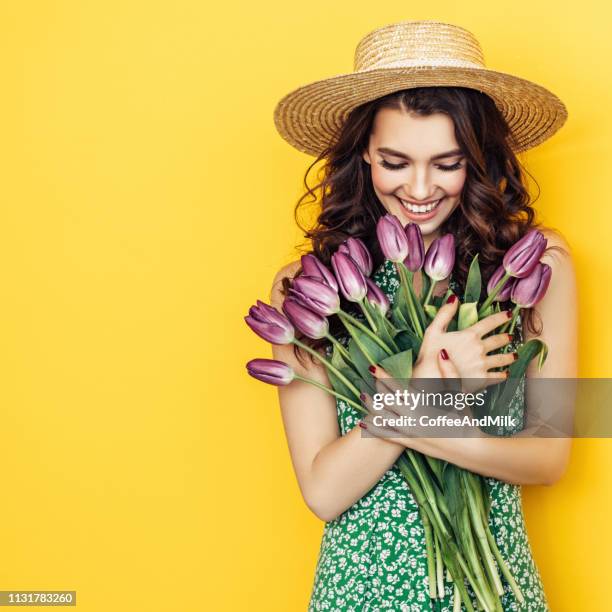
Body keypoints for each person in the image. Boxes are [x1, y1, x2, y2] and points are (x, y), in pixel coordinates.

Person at [269, 20, 577, 611]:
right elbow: (325, 491)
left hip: (495, 590)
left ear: (478, 159)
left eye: (447, 163)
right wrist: (427, 389)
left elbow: (549, 459)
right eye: (394, 161)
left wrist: (407, 410)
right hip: (361, 592)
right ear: (363, 153)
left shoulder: (537, 267)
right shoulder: (308, 286)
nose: (419, 188)